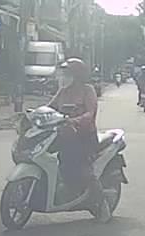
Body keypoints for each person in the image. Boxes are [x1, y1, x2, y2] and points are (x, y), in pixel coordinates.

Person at [48, 58, 109, 221]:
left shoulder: (88, 91)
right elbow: (49, 107)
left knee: (82, 170)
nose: (64, 77)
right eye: (63, 73)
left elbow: (90, 113)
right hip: (64, 135)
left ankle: (101, 204)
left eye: (68, 74)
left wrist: (74, 121)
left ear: (77, 76)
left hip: (84, 137)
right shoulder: (63, 91)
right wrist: (33, 114)